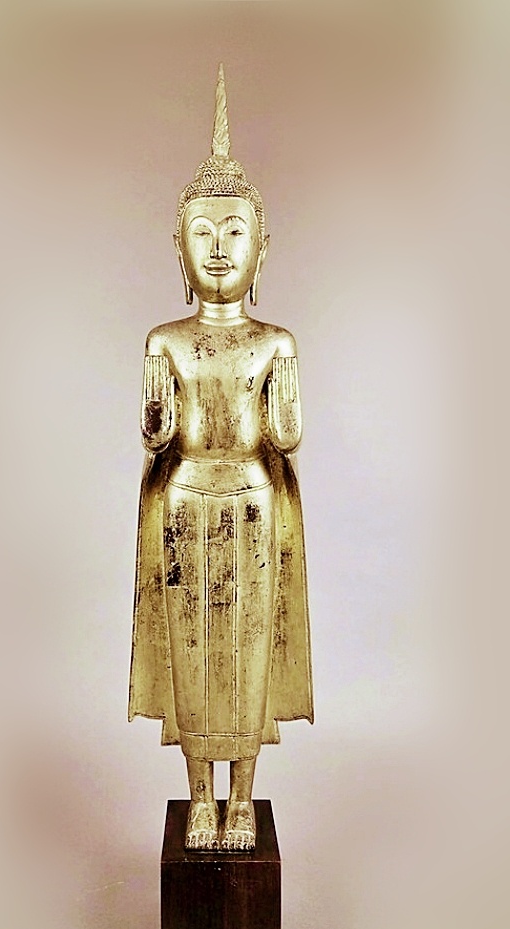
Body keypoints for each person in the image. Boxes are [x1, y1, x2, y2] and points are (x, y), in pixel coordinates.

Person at [129, 65, 313, 850]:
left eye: (234, 231)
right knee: (194, 655)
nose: (217, 248)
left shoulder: (275, 342)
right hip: (184, 503)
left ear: (262, 248)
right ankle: (199, 797)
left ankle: (243, 799)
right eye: (202, 232)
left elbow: (288, 435)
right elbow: (156, 436)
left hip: (253, 502)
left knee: (246, 654)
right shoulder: (165, 340)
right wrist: (154, 400)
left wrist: (283, 389)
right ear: (178, 247)